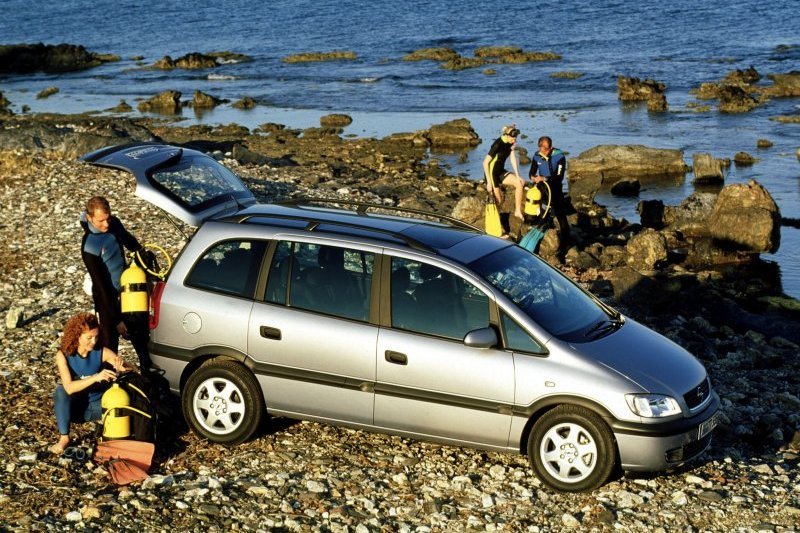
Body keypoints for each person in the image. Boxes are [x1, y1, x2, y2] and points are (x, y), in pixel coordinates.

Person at [81, 196, 152, 370]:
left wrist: (144, 260)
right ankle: (109, 385)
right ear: (89, 218)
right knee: (110, 346)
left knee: (141, 341)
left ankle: (148, 375)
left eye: (108, 219)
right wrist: (117, 320)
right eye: (101, 221)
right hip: (107, 300)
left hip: (128, 291)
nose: (106, 224)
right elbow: (101, 286)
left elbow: (131, 243)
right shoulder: (89, 246)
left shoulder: (115, 224)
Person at [51, 312, 136, 454]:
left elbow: (131, 372)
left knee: (124, 395)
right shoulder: (63, 355)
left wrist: (125, 366)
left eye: (96, 337)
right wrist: (95, 377)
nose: (93, 341)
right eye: (89, 337)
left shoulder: (102, 352)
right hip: (77, 409)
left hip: (100, 407)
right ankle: (64, 438)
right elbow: (69, 388)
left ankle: (104, 425)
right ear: (76, 336)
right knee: (60, 391)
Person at [529, 136, 570, 251]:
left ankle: (565, 241)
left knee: (561, 216)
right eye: (542, 149)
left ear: (550, 148)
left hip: (555, 189)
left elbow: (559, 177)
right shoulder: (537, 156)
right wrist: (533, 178)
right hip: (543, 190)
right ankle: (541, 241)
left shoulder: (559, 156)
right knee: (542, 215)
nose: (544, 152)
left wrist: (544, 178)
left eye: (546, 150)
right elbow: (531, 173)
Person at [483, 124, 525, 221]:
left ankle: (517, 211)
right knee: (498, 200)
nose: (514, 141)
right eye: (513, 138)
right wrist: (488, 182)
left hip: (500, 171)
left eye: (515, 138)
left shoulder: (510, 143)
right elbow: (485, 163)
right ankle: (494, 221)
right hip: (491, 174)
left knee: (519, 183)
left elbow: (512, 158)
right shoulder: (497, 144)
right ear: (507, 135)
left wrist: (517, 175)